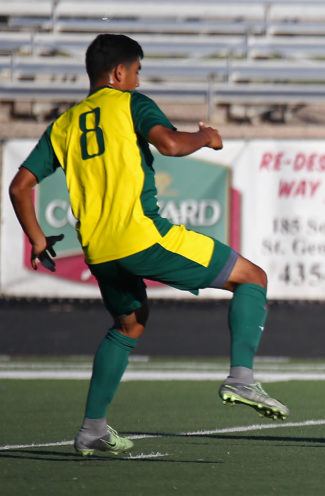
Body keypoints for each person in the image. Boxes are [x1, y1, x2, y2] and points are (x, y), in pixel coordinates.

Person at [7, 34, 289, 457]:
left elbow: (19, 186)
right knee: (253, 278)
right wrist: (206, 138)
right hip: (142, 236)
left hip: (99, 252)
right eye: (136, 72)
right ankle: (241, 378)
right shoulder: (131, 103)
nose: (138, 81)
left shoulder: (64, 124)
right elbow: (171, 145)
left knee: (129, 324)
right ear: (119, 72)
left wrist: (37, 238)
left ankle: (92, 430)